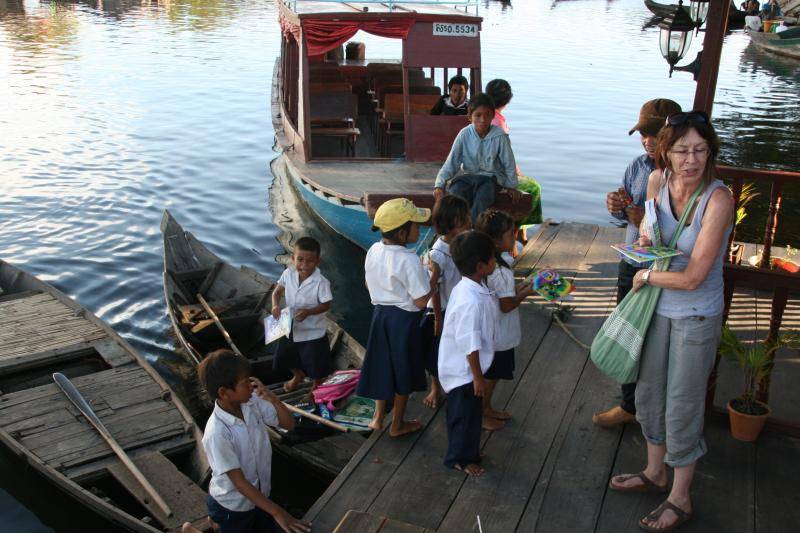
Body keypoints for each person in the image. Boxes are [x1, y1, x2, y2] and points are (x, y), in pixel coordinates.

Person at [609, 111, 733, 532]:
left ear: (710, 152)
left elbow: (695, 275)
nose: (691, 160)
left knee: (682, 402)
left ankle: (680, 497)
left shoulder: (717, 200)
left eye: (700, 150)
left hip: (695, 314)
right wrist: (643, 243)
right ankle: (654, 471)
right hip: (657, 307)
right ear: (666, 152)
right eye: (682, 150)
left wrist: (644, 274)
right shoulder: (658, 182)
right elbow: (649, 229)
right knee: (647, 392)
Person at [593, 98, 682, 428]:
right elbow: (622, 216)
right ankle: (629, 405)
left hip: (663, 271)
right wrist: (616, 206)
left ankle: (655, 410)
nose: (646, 140)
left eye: (653, 134)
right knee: (627, 334)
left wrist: (646, 217)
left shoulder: (679, 174)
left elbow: (682, 230)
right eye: (642, 133)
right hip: (631, 261)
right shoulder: (637, 166)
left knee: (658, 340)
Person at [198, 350, 310, 533]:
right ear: (224, 393)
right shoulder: (217, 433)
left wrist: (273, 398)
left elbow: (289, 424)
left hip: (260, 496)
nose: (251, 385)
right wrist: (278, 512)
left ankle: (211, 523)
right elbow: (239, 483)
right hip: (232, 506)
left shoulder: (252, 401)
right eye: (244, 383)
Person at [357, 198, 433, 436]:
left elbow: (368, 285)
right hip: (404, 322)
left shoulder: (374, 250)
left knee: (383, 367)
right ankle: (397, 425)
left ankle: (378, 418)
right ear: (402, 233)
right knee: (404, 372)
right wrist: (434, 279)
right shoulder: (409, 259)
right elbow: (421, 301)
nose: (419, 229)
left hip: (380, 317)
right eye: (415, 225)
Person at [438, 230, 497, 476]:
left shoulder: (470, 287)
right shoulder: (470, 301)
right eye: (493, 259)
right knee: (463, 418)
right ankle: (459, 459)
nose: (496, 261)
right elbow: (469, 344)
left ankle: (470, 450)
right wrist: (478, 378)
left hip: (470, 370)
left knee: (472, 416)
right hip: (464, 373)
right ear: (481, 266)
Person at [474, 209, 533, 430]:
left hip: (489, 331)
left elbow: (503, 294)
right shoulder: (500, 271)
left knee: (492, 375)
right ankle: (481, 413)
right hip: (498, 336)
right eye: (510, 234)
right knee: (491, 376)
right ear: (496, 242)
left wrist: (518, 288)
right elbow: (506, 304)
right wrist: (525, 294)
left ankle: (486, 407)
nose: (515, 236)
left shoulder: (488, 266)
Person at [433, 93, 520, 221]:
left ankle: (472, 227)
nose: (483, 120)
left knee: (483, 196)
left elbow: (509, 163)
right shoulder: (464, 134)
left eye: (487, 115)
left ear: (493, 116)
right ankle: (457, 225)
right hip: (469, 177)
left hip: (491, 179)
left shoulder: (500, 135)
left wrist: (511, 186)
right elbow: (451, 162)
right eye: (478, 115)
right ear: (470, 117)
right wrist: (439, 184)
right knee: (455, 192)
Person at [420, 194, 471, 409]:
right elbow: (435, 289)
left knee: (457, 346)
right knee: (437, 350)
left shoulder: (463, 242)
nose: (470, 220)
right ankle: (435, 387)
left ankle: (457, 379)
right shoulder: (437, 254)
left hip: (458, 305)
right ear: (453, 223)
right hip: (440, 310)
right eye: (465, 218)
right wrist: (438, 319)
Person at [271, 237, 333, 393]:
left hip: (313, 331)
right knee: (285, 356)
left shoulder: (321, 282)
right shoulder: (288, 273)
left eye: (310, 261)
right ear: (293, 258)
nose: (304, 265)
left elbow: (326, 304)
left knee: (316, 364)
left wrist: (309, 312)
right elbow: (277, 292)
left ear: (318, 261)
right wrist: (275, 305)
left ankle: (316, 386)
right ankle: (297, 375)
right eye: (300, 260)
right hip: (289, 325)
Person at [485, 78, 543, 234]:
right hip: (496, 176)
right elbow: (504, 158)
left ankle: (519, 233)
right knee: (533, 188)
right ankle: (517, 232)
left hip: (491, 171)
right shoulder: (497, 122)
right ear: (507, 100)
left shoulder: (486, 117)